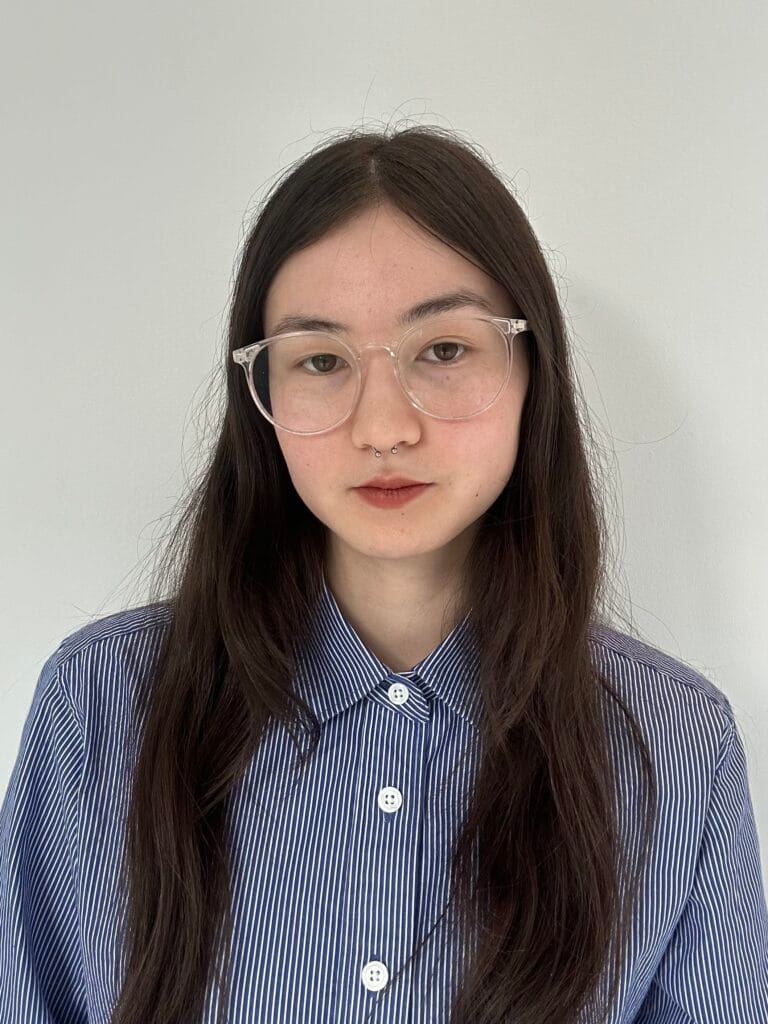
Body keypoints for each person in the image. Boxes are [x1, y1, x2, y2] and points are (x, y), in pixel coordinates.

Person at [1, 125, 766, 1024]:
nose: (383, 427)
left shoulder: (674, 745)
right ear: (266, 398)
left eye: (443, 350)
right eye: (320, 360)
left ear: (533, 372)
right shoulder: (101, 704)